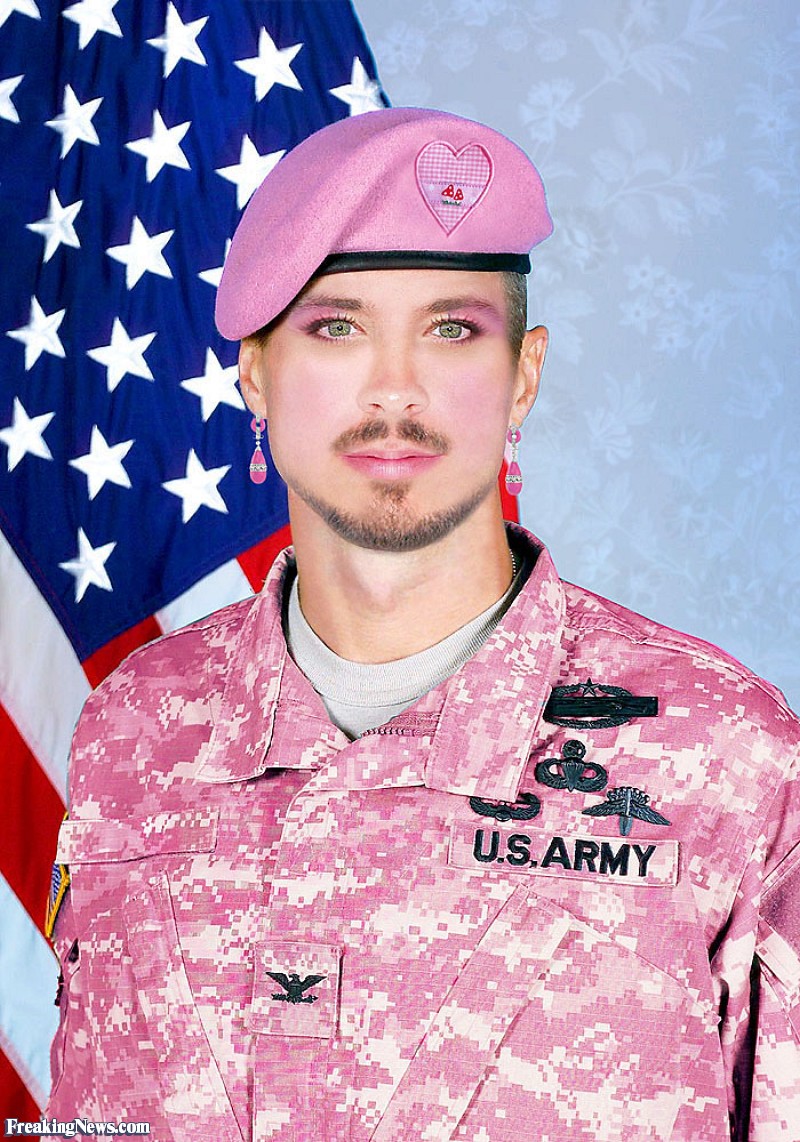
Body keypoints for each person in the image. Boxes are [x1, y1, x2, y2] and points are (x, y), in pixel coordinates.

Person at [46, 108, 799, 1141]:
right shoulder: (133, 726)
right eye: (336, 327)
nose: (394, 389)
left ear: (523, 374)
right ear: (254, 373)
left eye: (451, 329)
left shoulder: (727, 756)